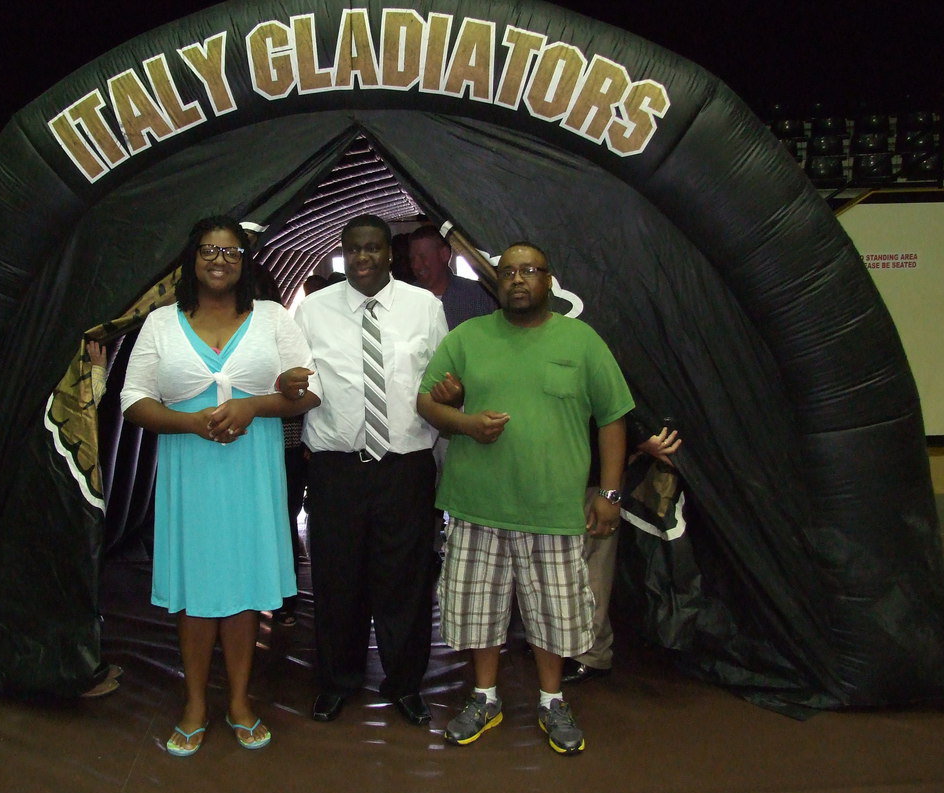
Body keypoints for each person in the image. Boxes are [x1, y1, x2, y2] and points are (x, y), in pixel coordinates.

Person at [416, 241, 633, 755]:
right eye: (508, 271)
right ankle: (485, 697)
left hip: (553, 511)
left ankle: (551, 701)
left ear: (548, 280)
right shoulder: (468, 338)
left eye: (529, 270)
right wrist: (465, 423)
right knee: (477, 613)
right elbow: (426, 401)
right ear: (497, 281)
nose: (517, 279)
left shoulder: (581, 341)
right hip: (477, 507)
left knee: (555, 617)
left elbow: (613, 416)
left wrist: (609, 492)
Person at [120, 216, 319, 755]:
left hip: (251, 470)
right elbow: (133, 399)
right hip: (191, 469)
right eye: (208, 250)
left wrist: (255, 404)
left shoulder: (274, 318)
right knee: (196, 591)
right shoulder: (161, 323)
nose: (219, 260)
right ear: (192, 260)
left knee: (244, 590)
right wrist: (190, 422)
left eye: (231, 253)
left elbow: (310, 390)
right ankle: (194, 704)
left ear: (244, 262)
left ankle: (238, 701)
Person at [283, 214, 447, 727]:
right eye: (352, 249)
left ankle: (405, 685)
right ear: (341, 252)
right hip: (337, 470)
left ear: (389, 253)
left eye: (372, 248)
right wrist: (286, 385)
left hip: (406, 467)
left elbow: (442, 378)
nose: (362, 258)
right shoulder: (312, 311)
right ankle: (337, 681)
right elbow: (296, 381)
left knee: (407, 583)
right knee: (336, 581)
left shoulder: (425, 308)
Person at [563, 424, 681, 685]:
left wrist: (610, 491)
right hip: (564, 469)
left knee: (590, 564)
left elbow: (611, 414)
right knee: (565, 563)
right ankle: (566, 644)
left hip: (592, 474)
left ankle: (591, 653)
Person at [407, 225, 497, 330]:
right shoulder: (406, 299)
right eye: (412, 259)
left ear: (444, 254)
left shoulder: (478, 296)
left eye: (422, 257)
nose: (415, 265)